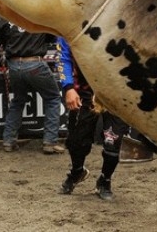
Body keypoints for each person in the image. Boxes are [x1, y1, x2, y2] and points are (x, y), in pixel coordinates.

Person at [57, 37, 129, 200]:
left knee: (113, 142)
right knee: (76, 141)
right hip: (84, 92)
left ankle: (105, 180)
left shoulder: (119, 24)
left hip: (115, 93)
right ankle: (77, 172)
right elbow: (63, 57)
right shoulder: (70, 26)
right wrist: (68, 87)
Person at [0, 16, 64, 155]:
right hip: (35, 64)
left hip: (15, 66)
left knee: (18, 101)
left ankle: (9, 140)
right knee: (53, 98)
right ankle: (50, 142)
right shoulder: (38, 15)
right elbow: (51, 38)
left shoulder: (5, 18)